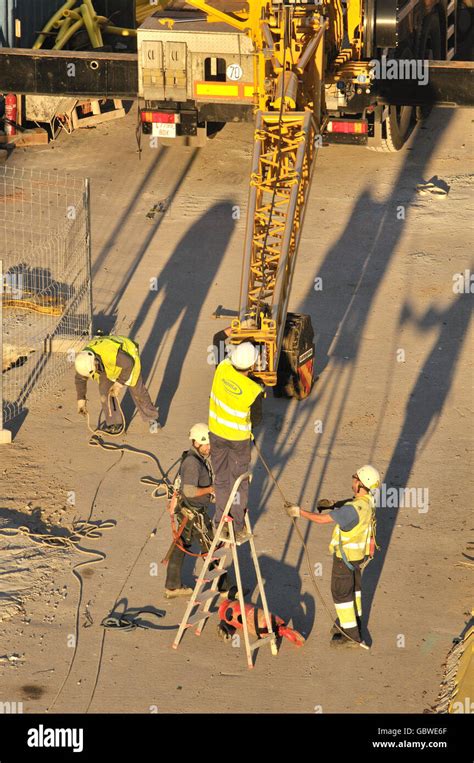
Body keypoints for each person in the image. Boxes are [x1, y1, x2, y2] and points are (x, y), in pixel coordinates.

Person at [287, 464, 381, 648]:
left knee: (341, 594)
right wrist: (334, 504)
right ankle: (351, 623)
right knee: (354, 592)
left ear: (361, 485)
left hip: (343, 560)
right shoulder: (368, 502)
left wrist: (299, 512)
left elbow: (323, 520)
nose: (353, 480)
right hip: (357, 559)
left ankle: (352, 636)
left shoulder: (352, 510)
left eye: (356, 479)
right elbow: (351, 505)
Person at [208, 341, 264, 542]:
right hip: (238, 441)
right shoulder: (253, 390)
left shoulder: (222, 368)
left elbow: (219, 340)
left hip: (216, 435)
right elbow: (256, 420)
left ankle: (220, 523)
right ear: (252, 365)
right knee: (239, 483)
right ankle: (238, 527)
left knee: (221, 480)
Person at [165, 423, 228, 598]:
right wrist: (210, 489)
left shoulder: (195, 457)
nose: (210, 447)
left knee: (181, 544)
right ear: (197, 443)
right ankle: (225, 588)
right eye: (207, 444)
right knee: (210, 548)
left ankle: (172, 586)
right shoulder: (193, 463)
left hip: (188, 511)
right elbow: (189, 490)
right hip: (194, 512)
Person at [74, 334, 158, 434]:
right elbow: (80, 380)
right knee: (105, 392)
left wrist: (118, 384)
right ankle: (114, 424)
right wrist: (81, 400)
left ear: (94, 361)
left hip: (128, 359)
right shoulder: (83, 361)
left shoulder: (109, 353)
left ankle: (152, 418)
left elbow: (129, 363)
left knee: (137, 391)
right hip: (107, 365)